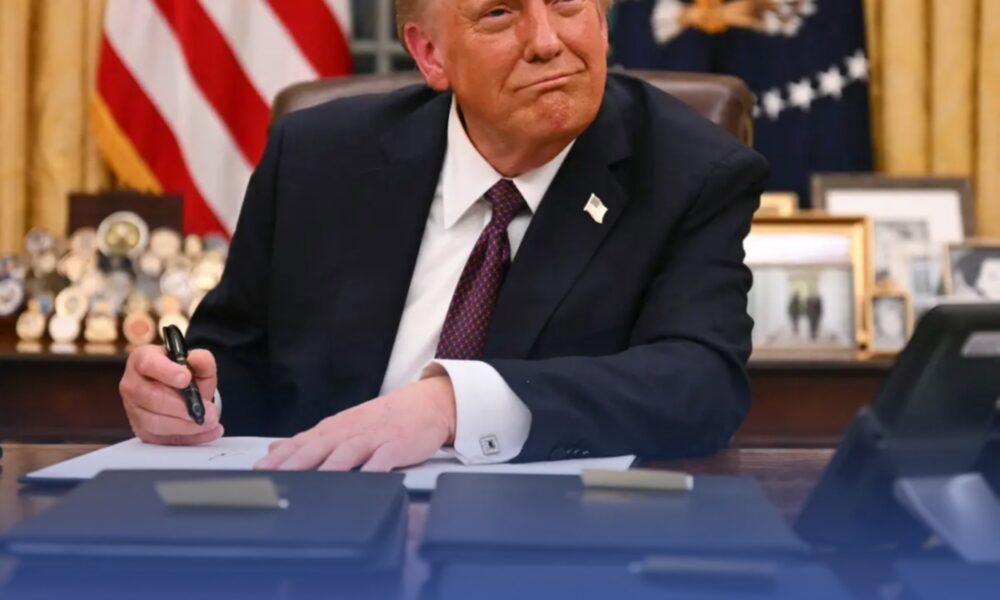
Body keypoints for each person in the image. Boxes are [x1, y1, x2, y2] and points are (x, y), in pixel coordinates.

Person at [118, 0, 769, 472]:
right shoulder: (317, 159)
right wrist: (187, 399)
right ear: (430, 54)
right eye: (499, 13)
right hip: (317, 532)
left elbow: (700, 384)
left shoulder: (690, 174)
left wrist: (452, 404)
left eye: (568, 3)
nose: (547, 41)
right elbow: (232, 358)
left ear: (602, 19)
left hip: (549, 546)